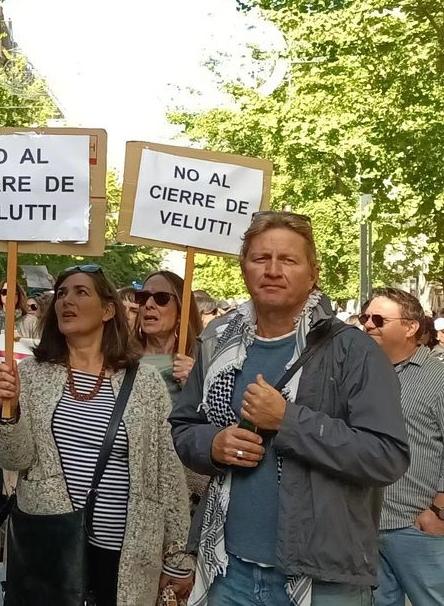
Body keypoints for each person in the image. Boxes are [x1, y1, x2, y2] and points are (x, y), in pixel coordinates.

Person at [170, 212, 410, 604]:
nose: (273, 270)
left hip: (323, 579)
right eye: (261, 258)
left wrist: (287, 421)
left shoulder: (354, 350)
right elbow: (184, 426)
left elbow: (387, 456)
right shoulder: (217, 340)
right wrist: (213, 444)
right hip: (227, 569)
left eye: (288, 260)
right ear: (243, 267)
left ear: (313, 273)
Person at [0, 264, 194, 605]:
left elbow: (167, 474)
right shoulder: (32, 374)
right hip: (52, 546)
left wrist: (177, 556)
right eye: (63, 293)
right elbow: (11, 458)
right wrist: (10, 412)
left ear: (109, 310)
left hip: (126, 554)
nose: (67, 300)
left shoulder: (145, 383)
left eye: (82, 292)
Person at [357, 288, 444, 605]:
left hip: (418, 527)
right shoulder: (361, 374)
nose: (368, 325)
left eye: (378, 319)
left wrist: (438, 511)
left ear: (410, 327)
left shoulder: (438, 377)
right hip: (366, 524)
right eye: (365, 317)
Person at [135, 270, 201, 405]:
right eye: (143, 297)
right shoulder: (122, 357)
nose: (148, 304)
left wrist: (196, 385)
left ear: (180, 312)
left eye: (161, 298)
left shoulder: (202, 360)